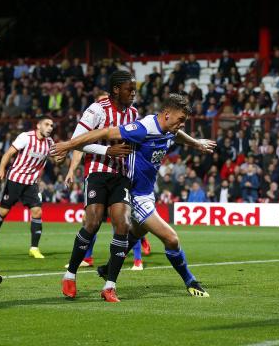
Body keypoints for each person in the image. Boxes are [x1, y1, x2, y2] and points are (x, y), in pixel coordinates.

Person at [53, 94, 216, 302]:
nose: (181, 124)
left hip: (148, 192)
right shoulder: (143, 128)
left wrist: (196, 144)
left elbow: (178, 135)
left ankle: (108, 268)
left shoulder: (169, 128)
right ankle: (190, 281)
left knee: (136, 233)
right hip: (135, 194)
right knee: (171, 239)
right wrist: (68, 145)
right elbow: (104, 132)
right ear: (166, 115)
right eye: (180, 119)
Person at [62, 75, 142, 269]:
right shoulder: (97, 109)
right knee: (92, 223)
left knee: (123, 224)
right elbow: (77, 141)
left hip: (122, 174)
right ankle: (71, 273)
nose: (133, 93)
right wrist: (107, 150)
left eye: (134, 89)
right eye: (129, 89)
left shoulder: (133, 113)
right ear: (116, 89)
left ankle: (110, 283)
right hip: (97, 172)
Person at [0, 115, 58, 259]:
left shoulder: (50, 142)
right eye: (47, 124)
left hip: (31, 182)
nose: (50, 127)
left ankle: (34, 248)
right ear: (38, 126)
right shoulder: (26, 137)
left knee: (37, 212)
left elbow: (57, 160)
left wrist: (64, 155)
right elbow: (8, 153)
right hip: (15, 179)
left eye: (52, 125)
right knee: (3, 212)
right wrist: (1, 170)